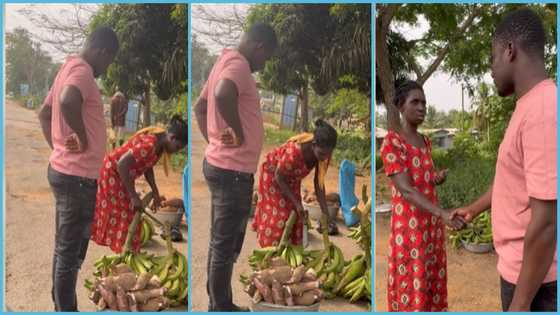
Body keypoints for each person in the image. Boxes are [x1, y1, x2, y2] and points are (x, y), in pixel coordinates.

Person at [451, 8, 557, 312]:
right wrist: (473, 209)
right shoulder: (528, 105)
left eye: (492, 58)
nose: (491, 70)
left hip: (537, 286)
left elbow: (547, 221)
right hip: (520, 273)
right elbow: (514, 182)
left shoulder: (543, 109)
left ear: (509, 50)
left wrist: (520, 305)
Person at [194, 22, 277, 311]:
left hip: (225, 166)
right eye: (266, 58)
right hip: (232, 172)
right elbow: (221, 95)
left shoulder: (224, 61)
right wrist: (237, 134)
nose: (264, 65)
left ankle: (219, 301)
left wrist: (215, 139)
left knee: (221, 240)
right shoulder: (238, 66)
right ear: (259, 46)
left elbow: (200, 107)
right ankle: (220, 306)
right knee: (225, 242)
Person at [38, 26, 119, 311]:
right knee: (69, 253)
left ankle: (62, 305)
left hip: (68, 173)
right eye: (109, 62)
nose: (106, 68)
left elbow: (45, 113)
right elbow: (67, 101)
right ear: (103, 52)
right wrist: (82, 139)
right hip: (76, 179)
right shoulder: (82, 71)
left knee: (64, 250)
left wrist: (58, 147)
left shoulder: (68, 68)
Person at [380, 80, 464, 312]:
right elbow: (406, 189)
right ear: (400, 106)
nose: (421, 107)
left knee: (430, 283)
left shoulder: (425, 141)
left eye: (424, 103)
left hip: (431, 229)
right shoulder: (392, 142)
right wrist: (442, 212)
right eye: (414, 102)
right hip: (410, 231)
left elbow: (420, 178)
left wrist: (436, 178)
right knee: (412, 285)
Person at [90, 115, 188, 253]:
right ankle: (125, 254)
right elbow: (122, 164)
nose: (176, 151)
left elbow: (148, 166)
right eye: (177, 147)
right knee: (127, 215)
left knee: (130, 216)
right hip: (112, 173)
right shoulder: (150, 144)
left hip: (120, 175)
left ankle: (127, 253)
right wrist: (133, 195)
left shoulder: (160, 145)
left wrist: (155, 191)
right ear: (171, 137)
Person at [252, 119, 337, 247]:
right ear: (313, 144)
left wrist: (326, 214)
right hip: (273, 176)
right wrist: (297, 203)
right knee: (279, 218)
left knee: (297, 217)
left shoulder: (324, 153)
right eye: (322, 154)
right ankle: (269, 254)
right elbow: (279, 177)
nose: (324, 157)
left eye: (328, 154)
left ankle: (288, 256)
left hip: (291, 180)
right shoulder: (295, 151)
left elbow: (319, 184)